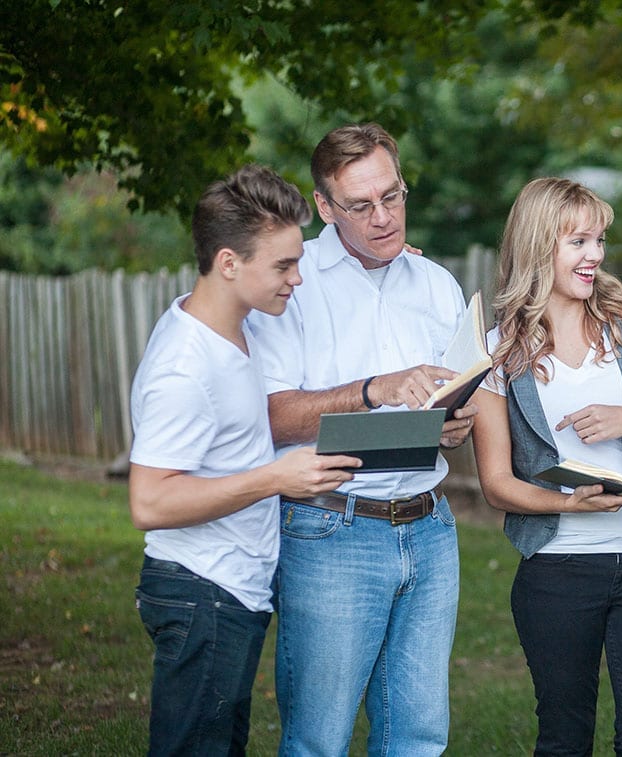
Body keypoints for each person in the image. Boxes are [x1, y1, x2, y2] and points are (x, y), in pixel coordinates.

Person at [246, 123, 477, 756]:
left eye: (393, 196)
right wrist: (374, 388)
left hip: (430, 527)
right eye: (360, 205)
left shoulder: (437, 284)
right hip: (330, 529)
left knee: (418, 737)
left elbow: (451, 401)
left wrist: (453, 423)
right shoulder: (292, 282)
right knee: (319, 739)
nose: (384, 217)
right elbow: (269, 415)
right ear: (324, 207)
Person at [129, 164, 361, 755]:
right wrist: (275, 479)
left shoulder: (236, 323)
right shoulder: (184, 366)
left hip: (231, 589)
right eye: (284, 266)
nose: (298, 278)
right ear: (229, 263)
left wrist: (387, 256)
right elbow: (150, 501)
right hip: (201, 589)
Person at [470, 177, 622, 755]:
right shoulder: (497, 352)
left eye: (599, 241)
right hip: (556, 570)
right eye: (579, 242)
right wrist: (569, 502)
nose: (595, 255)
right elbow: (496, 484)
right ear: (540, 246)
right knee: (564, 737)